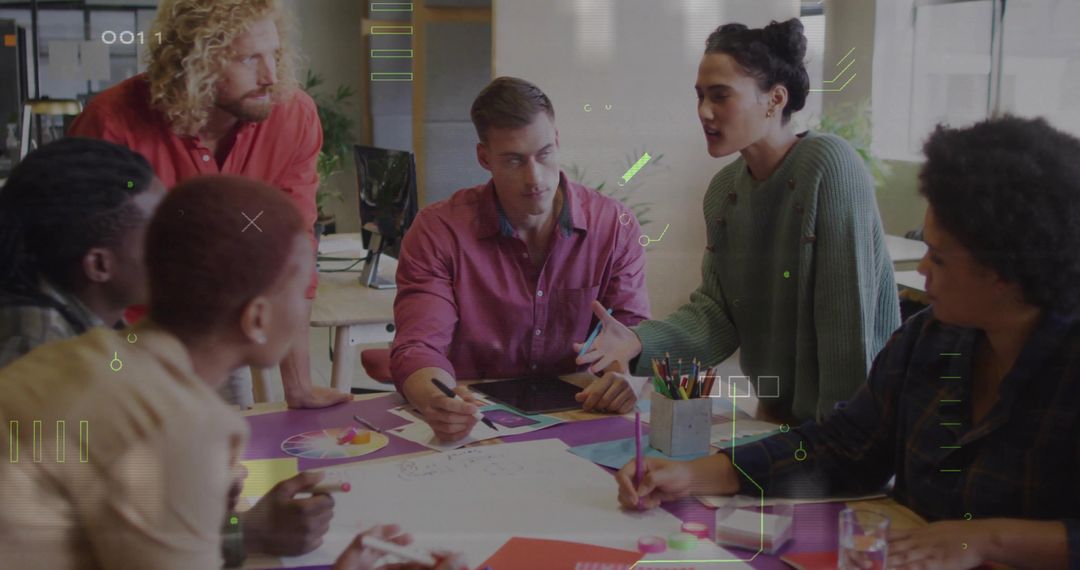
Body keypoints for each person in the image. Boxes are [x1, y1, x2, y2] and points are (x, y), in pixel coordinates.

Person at [615, 116, 1080, 570]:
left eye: (938, 257)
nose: (922, 269)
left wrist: (982, 538)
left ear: (1003, 273)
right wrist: (694, 474)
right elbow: (842, 445)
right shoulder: (928, 339)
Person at [0, 176, 464, 570]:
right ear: (257, 318)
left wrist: (243, 528)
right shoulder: (179, 426)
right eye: (301, 292)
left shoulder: (90, 355)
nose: (304, 307)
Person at [0, 139, 341, 559]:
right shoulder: (35, 345)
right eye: (158, 233)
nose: (179, 243)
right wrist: (236, 528)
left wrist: (204, 505)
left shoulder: (97, 347)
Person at [576, 19, 900, 424]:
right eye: (700, 97)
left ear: (774, 99)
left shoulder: (829, 165)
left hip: (850, 429)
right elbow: (717, 315)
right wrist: (637, 341)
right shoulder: (724, 191)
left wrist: (836, 441)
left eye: (720, 96)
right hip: (780, 420)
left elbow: (846, 329)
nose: (704, 112)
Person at [67, 0, 347, 410]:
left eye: (274, 54)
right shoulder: (112, 123)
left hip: (218, 342)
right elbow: (80, 270)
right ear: (192, 61)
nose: (270, 76)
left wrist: (299, 386)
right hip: (122, 340)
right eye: (249, 59)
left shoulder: (293, 117)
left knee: (223, 444)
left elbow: (292, 247)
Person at [391, 77, 651, 441]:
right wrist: (436, 399)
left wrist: (630, 379)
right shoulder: (439, 231)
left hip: (581, 415)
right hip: (478, 421)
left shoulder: (613, 226)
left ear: (556, 140)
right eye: (514, 160)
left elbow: (634, 332)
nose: (535, 178)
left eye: (544, 154)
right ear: (484, 158)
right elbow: (419, 346)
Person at [0, 138, 164, 368]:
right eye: (160, 237)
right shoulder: (39, 353)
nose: (179, 247)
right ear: (99, 265)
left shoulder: (99, 321)